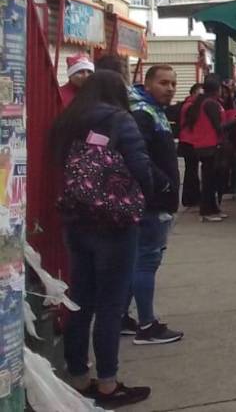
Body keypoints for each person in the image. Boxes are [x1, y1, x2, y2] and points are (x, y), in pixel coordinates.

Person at [50, 71, 154, 407]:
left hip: (76, 219)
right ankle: (108, 383)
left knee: (81, 299)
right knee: (111, 304)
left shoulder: (67, 120)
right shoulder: (119, 120)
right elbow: (140, 167)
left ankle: (78, 376)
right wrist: (146, 197)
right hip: (114, 222)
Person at [122, 65, 184, 345]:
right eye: (163, 83)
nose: (170, 88)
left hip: (152, 199)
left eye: (172, 83)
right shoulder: (143, 115)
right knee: (146, 261)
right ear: (147, 84)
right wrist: (165, 184)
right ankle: (147, 326)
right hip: (151, 202)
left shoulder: (151, 111)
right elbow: (139, 157)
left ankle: (123, 316)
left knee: (136, 260)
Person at [182, 76, 226, 222]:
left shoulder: (201, 102)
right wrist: (235, 121)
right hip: (211, 145)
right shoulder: (211, 104)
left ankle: (212, 208)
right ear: (216, 89)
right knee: (210, 180)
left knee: (209, 178)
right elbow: (218, 126)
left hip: (202, 145)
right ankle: (207, 210)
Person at [177, 83, 201, 210]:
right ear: (192, 94)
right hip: (189, 141)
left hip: (187, 140)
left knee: (191, 170)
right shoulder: (191, 107)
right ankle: (191, 198)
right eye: (198, 93)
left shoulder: (187, 105)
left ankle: (190, 197)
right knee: (191, 170)